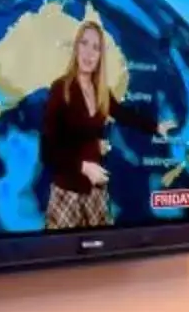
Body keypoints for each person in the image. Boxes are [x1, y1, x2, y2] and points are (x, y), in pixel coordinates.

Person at [35, 12, 158, 229]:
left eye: (96, 47)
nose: (89, 53)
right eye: (84, 43)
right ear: (76, 48)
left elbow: (124, 114)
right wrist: (82, 166)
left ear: (101, 55)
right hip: (67, 195)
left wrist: (156, 126)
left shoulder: (101, 91)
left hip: (96, 195)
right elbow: (47, 150)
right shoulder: (60, 89)